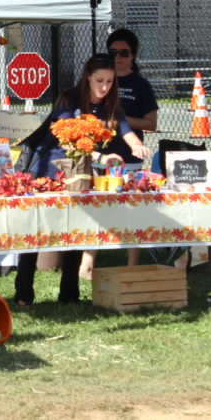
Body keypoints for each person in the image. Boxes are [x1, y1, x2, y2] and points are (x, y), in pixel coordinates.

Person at [12, 54, 150, 307]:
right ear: (87, 77)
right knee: (35, 231)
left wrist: (138, 146)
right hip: (50, 170)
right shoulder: (69, 99)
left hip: (79, 175)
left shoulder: (111, 106)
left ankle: (69, 294)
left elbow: (127, 132)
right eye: (99, 80)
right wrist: (100, 156)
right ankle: (23, 294)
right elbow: (66, 139)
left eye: (109, 81)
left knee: (75, 231)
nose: (104, 86)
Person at [78, 28, 160, 275]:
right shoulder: (86, 94)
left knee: (130, 211)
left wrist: (128, 136)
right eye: (113, 52)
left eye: (124, 52)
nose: (118, 57)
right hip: (97, 159)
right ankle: (87, 264)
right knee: (94, 210)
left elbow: (143, 124)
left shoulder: (140, 85)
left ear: (133, 55)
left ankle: (132, 266)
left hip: (127, 162)